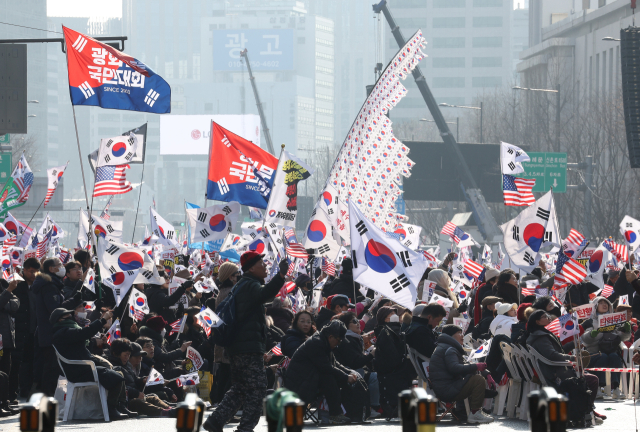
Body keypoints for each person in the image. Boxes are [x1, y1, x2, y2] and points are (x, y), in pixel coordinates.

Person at [202, 251, 288, 432]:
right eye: (261, 263)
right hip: (247, 348)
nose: (265, 266)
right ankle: (245, 428)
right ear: (250, 268)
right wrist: (280, 276)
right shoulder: (249, 284)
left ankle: (216, 421)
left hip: (239, 347)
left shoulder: (242, 285)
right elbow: (265, 294)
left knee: (241, 387)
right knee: (257, 389)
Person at [51, 308, 131, 420]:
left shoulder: (67, 332)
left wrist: (97, 342)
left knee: (118, 370)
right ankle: (111, 409)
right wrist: (103, 320)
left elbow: (82, 347)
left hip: (84, 367)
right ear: (59, 320)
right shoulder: (63, 332)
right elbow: (85, 333)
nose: (71, 318)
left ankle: (121, 406)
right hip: (79, 371)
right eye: (67, 317)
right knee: (114, 376)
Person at [526, 310, 602, 424]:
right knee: (592, 379)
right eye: (544, 316)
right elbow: (552, 355)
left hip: (557, 369)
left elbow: (557, 352)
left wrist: (573, 344)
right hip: (556, 373)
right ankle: (585, 411)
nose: (548, 317)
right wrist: (572, 358)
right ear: (538, 322)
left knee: (590, 377)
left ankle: (586, 410)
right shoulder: (541, 337)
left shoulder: (542, 334)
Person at [284, 320, 354, 424]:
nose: (339, 344)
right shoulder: (317, 342)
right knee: (328, 378)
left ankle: (340, 413)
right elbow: (326, 367)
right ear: (331, 337)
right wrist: (345, 376)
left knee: (330, 377)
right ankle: (335, 415)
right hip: (299, 383)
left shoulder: (323, 341)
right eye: (339, 340)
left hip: (307, 379)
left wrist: (350, 372)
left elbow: (334, 363)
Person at [32, 257, 82, 396]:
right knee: (51, 367)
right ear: (51, 269)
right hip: (51, 333)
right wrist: (75, 300)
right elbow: (56, 310)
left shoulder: (53, 284)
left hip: (50, 332)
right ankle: (48, 396)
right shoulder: (48, 286)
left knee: (51, 366)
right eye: (59, 265)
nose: (62, 267)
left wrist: (75, 296)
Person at [429, 325, 494, 424]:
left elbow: (465, 365)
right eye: (459, 333)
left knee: (475, 377)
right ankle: (475, 413)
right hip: (447, 390)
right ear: (451, 336)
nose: (462, 335)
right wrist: (476, 367)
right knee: (477, 380)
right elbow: (455, 368)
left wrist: (487, 374)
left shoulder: (446, 347)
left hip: (445, 388)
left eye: (462, 332)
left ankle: (476, 409)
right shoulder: (450, 349)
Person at [108, 338, 175, 417]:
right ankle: (164, 412)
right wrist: (136, 393)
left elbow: (135, 379)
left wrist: (142, 380)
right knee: (137, 402)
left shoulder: (126, 366)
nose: (127, 357)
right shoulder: (112, 367)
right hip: (124, 402)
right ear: (116, 354)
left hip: (134, 395)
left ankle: (170, 409)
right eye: (125, 355)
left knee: (153, 398)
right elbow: (122, 387)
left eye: (128, 355)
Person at [581, 296, 631, 399]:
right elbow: (585, 340)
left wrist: (626, 331)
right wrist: (594, 333)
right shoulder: (590, 321)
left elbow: (622, 338)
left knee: (614, 356)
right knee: (602, 356)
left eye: (606, 303)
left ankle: (616, 388)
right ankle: (599, 387)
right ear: (595, 306)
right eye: (601, 303)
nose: (604, 305)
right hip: (594, 353)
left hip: (611, 351)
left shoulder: (614, 320)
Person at [333, 312, 381, 419]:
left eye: (358, 320)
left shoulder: (355, 338)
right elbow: (354, 363)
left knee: (374, 376)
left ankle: (373, 407)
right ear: (346, 324)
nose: (358, 323)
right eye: (354, 321)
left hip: (356, 371)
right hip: (346, 373)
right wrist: (371, 355)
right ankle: (365, 407)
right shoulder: (346, 340)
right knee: (363, 373)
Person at [374, 306, 416, 417]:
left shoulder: (398, 331)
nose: (394, 316)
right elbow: (391, 355)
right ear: (384, 318)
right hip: (391, 371)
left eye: (395, 313)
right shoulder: (385, 332)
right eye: (390, 314)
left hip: (400, 370)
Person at [211, 262, 239, 404]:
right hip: (228, 338)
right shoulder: (229, 292)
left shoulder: (223, 291)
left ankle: (219, 401)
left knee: (224, 373)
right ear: (230, 276)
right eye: (236, 274)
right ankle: (223, 403)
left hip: (222, 338)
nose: (238, 276)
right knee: (227, 374)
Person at [13, 257, 40, 398]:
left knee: (30, 362)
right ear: (24, 270)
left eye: (36, 272)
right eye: (31, 271)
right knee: (18, 362)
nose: (33, 275)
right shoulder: (17, 286)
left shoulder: (38, 287)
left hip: (33, 331)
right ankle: (15, 391)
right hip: (19, 331)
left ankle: (26, 389)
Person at [0, 279, 19, 408]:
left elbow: (15, 304)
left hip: (6, 339)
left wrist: (6, 296)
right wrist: (8, 292)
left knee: (6, 371)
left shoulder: (3, 283)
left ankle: (4, 402)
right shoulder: (7, 289)